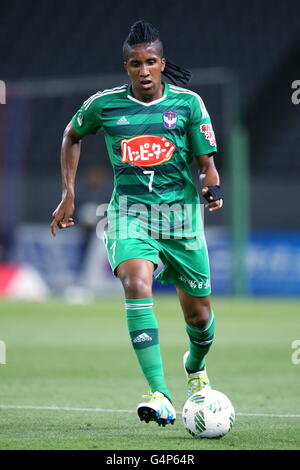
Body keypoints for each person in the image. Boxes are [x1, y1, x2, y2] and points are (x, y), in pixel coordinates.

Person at [51, 20, 223, 427]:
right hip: (130, 216)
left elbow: (207, 165)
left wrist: (210, 188)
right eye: (134, 64)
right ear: (126, 67)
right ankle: (159, 393)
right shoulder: (105, 105)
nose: (143, 70)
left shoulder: (189, 105)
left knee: (199, 319)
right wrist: (68, 193)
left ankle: (195, 369)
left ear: (162, 63)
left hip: (181, 221)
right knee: (135, 282)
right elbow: (72, 135)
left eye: (150, 62)